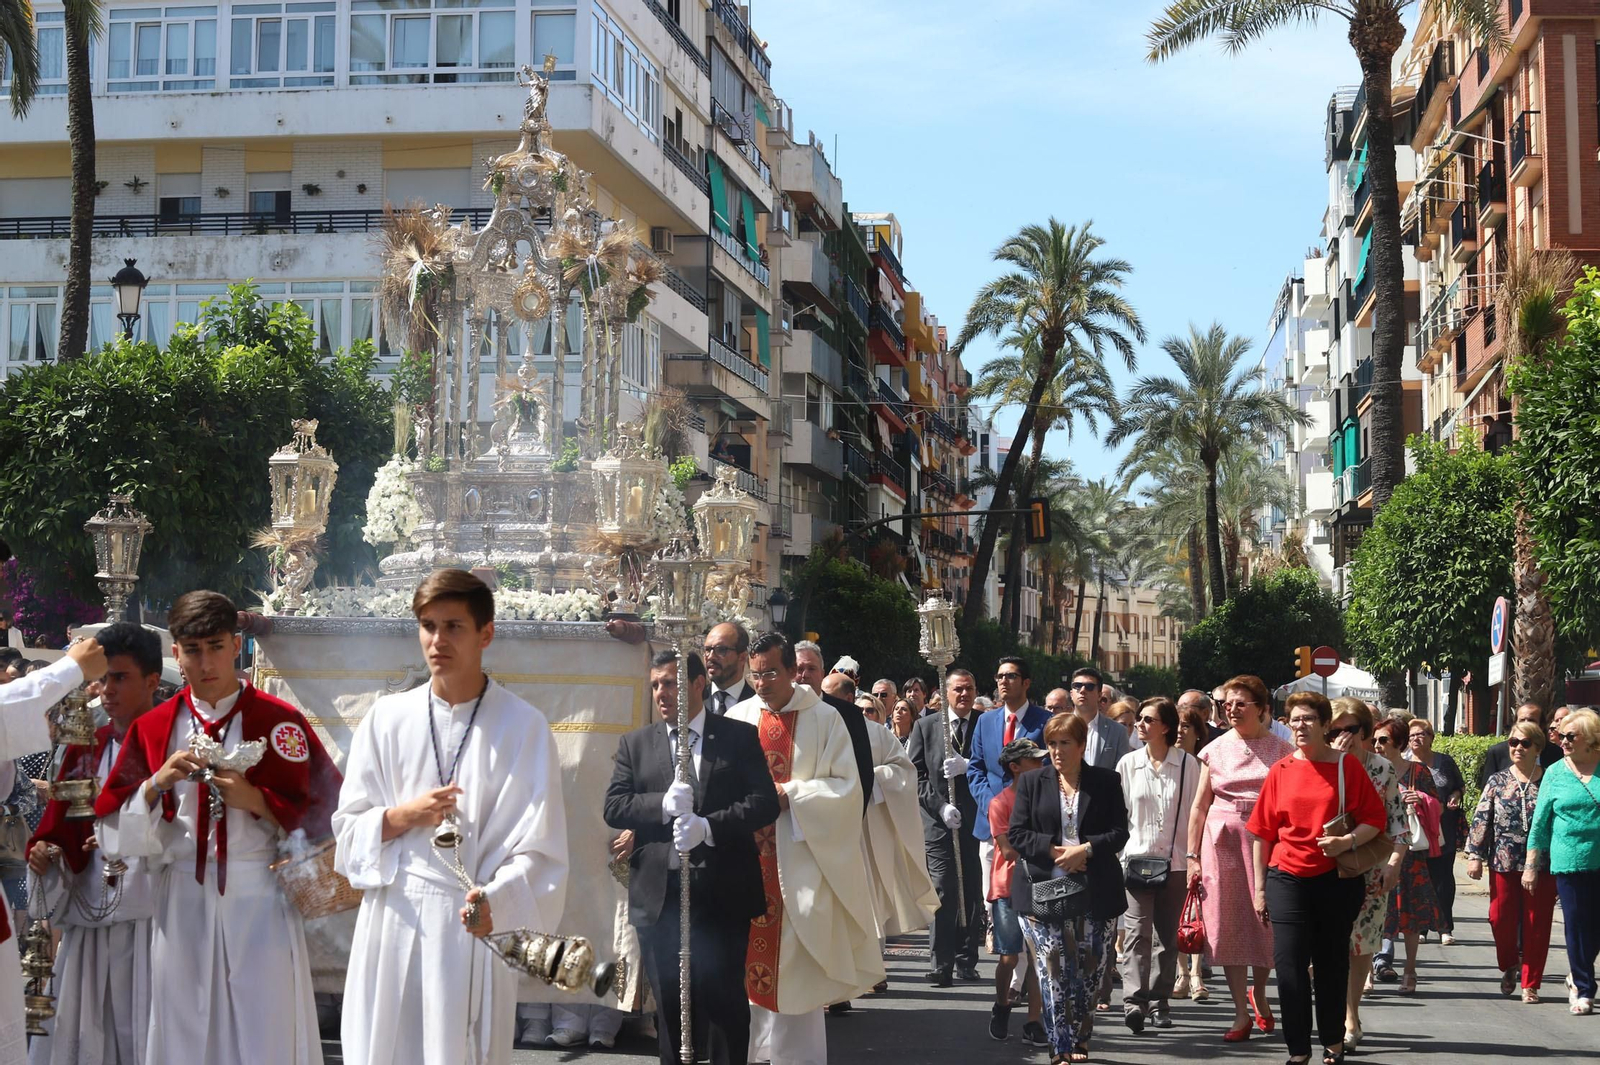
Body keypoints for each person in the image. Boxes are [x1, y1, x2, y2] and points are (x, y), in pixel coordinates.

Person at [331, 571, 567, 1065]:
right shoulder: (387, 718)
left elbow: (541, 848)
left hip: (471, 924)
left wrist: (497, 901)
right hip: (393, 917)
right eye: (428, 625)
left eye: (454, 627)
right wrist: (400, 816)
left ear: (486, 633)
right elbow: (348, 830)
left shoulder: (523, 726)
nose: (437, 641)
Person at [95, 591, 338, 1065]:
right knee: (183, 1026)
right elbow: (111, 824)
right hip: (182, 895)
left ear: (236, 646)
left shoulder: (278, 721)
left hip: (259, 893)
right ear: (176, 653)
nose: (205, 662)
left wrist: (261, 802)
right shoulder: (154, 727)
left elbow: (330, 811)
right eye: (193, 649)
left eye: (216, 646)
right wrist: (154, 784)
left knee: (264, 1023)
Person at [604, 649, 779, 1065]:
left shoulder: (736, 737)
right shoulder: (637, 743)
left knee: (722, 1000)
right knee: (669, 1002)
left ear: (698, 684)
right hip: (659, 893)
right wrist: (660, 806)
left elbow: (764, 802)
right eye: (655, 685)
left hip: (722, 890)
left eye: (669, 683)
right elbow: (614, 806)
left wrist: (709, 826)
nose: (661, 693)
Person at [726, 633, 881, 1065]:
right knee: (744, 975)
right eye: (755, 675)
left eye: (771, 673)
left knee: (798, 977)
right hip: (746, 869)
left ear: (793, 672)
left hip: (800, 866)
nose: (762, 683)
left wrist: (791, 794)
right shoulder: (738, 717)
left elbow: (847, 790)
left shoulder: (824, 719)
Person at [25, 623, 162, 1065]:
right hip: (89, 917)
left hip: (153, 921)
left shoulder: (173, 745)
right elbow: (56, 827)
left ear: (153, 681)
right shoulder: (87, 746)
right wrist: (48, 853)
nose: (106, 690)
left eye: (119, 677)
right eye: (101, 679)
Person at [1248, 692, 1383, 1065]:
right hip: (1286, 876)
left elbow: (1375, 820)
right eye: (1294, 720)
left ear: (1326, 726)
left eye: (1308, 719)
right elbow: (1262, 833)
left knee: (1330, 963)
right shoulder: (1281, 770)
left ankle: (1333, 1041)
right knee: (1289, 965)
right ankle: (1297, 1049)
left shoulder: (1346, 767)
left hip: (1335, 879)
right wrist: (1259, 889)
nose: (1300, 726)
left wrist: (1347, 841)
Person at [1009, 712, 1129, 1065]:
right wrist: (1054, 851)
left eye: (1065, 743)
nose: (1057, 751)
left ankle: (1081, 1035)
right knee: (1052, 966)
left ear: (1081, 746)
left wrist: (1085, 849)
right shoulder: (1032, 781)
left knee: (1091, 970)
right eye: (1051, 744)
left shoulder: (1106, 781)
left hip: (1096, 886)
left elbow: (1119, 831)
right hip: (1044, 887)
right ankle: (1059, 1043)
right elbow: (1017, 833)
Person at [1184, 674, 1293, 1043]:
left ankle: (1259, 992)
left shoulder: (1283, 750)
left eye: (1240, 703)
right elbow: (1200, 805)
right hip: (1222, 840)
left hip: (1268, 841)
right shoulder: (1213, 749)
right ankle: (1239, 1012)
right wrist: (1192, 856)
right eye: (1226, 704)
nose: (1231, 709)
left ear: (1262, 709)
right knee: (1226, 923)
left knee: (1265, 923)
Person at [1325, 698, 1405, 1053]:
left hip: (1371, 868)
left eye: (1351, 729)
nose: (1344, 737)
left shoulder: (1382, 769)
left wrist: (1394, 864)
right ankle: (1334, 1010)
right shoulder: (1320, 765)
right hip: (1323, 866)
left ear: (1365, 731)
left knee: (1359, 946)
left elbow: (1400, 825)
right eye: (1336, 730)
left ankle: (1350, 1015)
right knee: (1327, 947)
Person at [1115, 697, 1199, 1033]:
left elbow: (1196, 813)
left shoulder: (1188, 765)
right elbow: (1120, 815)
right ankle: (1134, 1001)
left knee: (1168, 937)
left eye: (1148, 720)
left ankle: (1160, 1001)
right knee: (1137, 934)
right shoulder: (1128, 764)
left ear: (1166, 726)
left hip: (1175, 862)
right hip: (1136, 860)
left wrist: (1194, 858)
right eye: (1139, 719)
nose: (1140, 725)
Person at [1466, 720, 1555, 1005]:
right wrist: (1474, 855)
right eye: (1513, 742)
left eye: (1525, 743)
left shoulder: (1550, 779)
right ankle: (1509, 964)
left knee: (1536, 923)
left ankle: (1531, 983)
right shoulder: (1498, 780)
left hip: (1542, 861)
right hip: (1503, 858)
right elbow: (1482, 818)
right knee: (1499, 917)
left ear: (1538, 748)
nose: (1517, 747)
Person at [908, 668, 984, 985]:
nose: (963, 694)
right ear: (947, 692)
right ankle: (941, 961)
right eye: (957, 689)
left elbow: (999, 764)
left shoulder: (985, 724)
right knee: (944, 888)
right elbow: (915, 774)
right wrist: (940, 805)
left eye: (969, 689)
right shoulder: (926, 727)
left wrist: (972, 766)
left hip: (976, 819)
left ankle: (967, 958)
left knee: (971, 887)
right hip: (939, 823)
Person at [1525, 707, 1600, 1016]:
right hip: (1569, 859)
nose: (1564, 741)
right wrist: (1531, 864)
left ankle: (1579, 972)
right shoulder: (1555, 772)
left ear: (1591, 739)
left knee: (1595, 926)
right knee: (1577, 924)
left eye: (1571, 736)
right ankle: (1584, 987)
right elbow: (1540, 823)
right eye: (1562, 736)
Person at [854, 695, 937, 973]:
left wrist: (871, 777)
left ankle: (874, 968)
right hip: (838, 829)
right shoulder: (831, 731)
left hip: (873, 827)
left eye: (870, 709)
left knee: (873, 897)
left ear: (879, 714)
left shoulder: (880, 736)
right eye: (859, 708)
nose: (863, 713)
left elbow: (904, 772)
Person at [967, 657, 1049, 902]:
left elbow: (1048, 768)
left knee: (1029, 900)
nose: (1003, 681)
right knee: (992, 900)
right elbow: (976, 769)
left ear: (1026, 682)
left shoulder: (1045, 722)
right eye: (999, 676)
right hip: (991, 827)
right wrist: (994, 806)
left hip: (1030, 824)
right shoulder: (985, 720)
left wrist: (1021, 807)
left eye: (1010, 676)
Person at [985, 738, 1046, 1048]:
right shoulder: (999, 803)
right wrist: (1048, 849)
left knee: (1039, 958)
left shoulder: (1046, 798)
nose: (1041, 763)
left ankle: (1033, 1021)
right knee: (1009, 957)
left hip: (1041, 885)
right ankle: (1002, 1006)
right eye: (1034, 759)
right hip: (1008, 888)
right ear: (1015, 767)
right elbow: (1008, 851)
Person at [1374, 716, 1441, 993]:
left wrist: (1422, 799)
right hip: (1376, 851)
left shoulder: (1418, 772)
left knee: (1410, 916)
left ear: (1399, 743)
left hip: (1410, 855)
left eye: (1383, 740)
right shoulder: (1370, 769)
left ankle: (1410, 970)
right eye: (1374, 739)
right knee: (1373, 913)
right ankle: (1368, 971)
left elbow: (1438, 807)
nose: (1376, 745)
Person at [793, 640, 874, 812]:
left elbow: (863, 773)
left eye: (811, 669)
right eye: (799, 669)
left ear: (822, 673)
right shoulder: (781, 712)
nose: (804, 675)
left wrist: (854, 820)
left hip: (836, 818)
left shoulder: (849, 714)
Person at [1405, 717, 1464, 945]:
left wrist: (1454, 797)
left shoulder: (1445, 762)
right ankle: (1421, 927)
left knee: (1443, 878)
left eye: (1421, 734)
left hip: (1442, 828)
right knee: (1420, 879)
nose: (1416, 738)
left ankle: (1444, 927)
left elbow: (1459, 787)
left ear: (1431, 737)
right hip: (1415, 829)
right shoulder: (1404, 764)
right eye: (1411, 735)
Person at [1173, 698, 1213, 1002]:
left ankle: (1197, 974)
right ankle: (1182, 973)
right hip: (1170, 849)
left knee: (1198, 913)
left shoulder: (1205, 765)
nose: (1179, 731)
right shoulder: (1165, 764)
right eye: (1174, 725)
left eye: (1186, 725)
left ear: (1198, 731)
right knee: (1175, 914)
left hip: (1200, 846)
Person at [1480, 703, 1563, 783]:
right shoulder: (1497, 752)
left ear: (1541, 725)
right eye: (1522, 720)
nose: (1526, 724)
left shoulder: (1556, 753)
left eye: (1531, 720)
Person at [1067, 668, 1130, 771]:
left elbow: (1122, 772)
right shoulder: (1057, 727)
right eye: (1077, 686)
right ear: (1071, 694)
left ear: (1099, 695)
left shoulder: (1118, 731)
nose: (1082, 691)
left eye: (1089, 687)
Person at [703, 622, 757, 716]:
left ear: (742, 657)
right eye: (707, 650)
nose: (711, 657)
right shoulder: (694, 702)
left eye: (721, 650)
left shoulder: (757, 705)